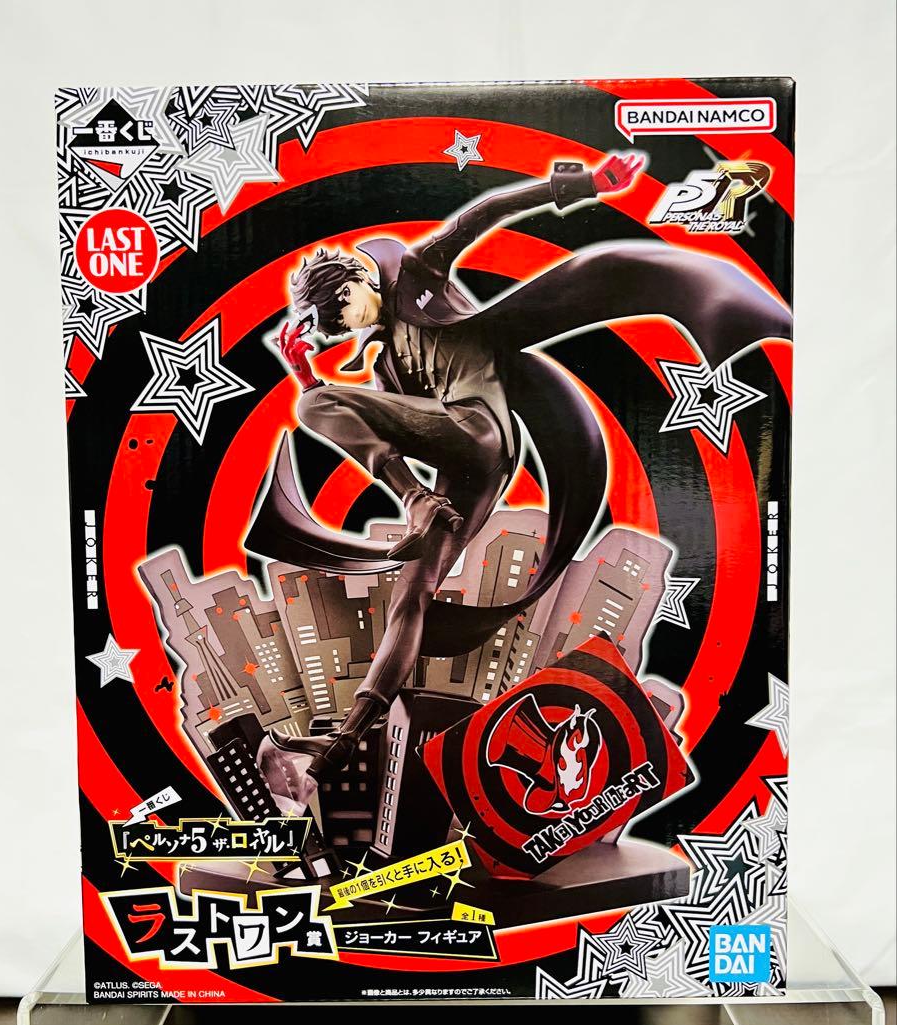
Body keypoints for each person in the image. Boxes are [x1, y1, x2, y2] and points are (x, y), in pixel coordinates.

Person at [245, 152, 791, 779]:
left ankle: (415, 501)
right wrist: (307, 374)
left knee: (316, 404)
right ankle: (344, 741)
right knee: (411, 595)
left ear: (352, 288)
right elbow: (385, 422)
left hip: (480, 431)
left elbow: (485, 211)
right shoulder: (388, 365)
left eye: (337, 319)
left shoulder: (418, 274)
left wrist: (584, 183)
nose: (339, 332)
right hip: (464, 474)